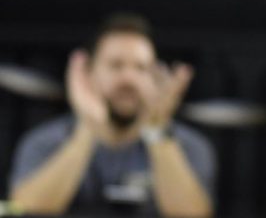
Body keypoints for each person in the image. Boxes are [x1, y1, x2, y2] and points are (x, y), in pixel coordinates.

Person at [9, 12, 216, 217]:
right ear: (89, 73)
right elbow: (22, 210)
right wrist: (87, 130)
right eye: (115, 66)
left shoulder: (188, 146)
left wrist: (157, 131)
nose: (128, 78)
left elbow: (194, 213)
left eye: (141, 68)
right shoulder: (44, 141)